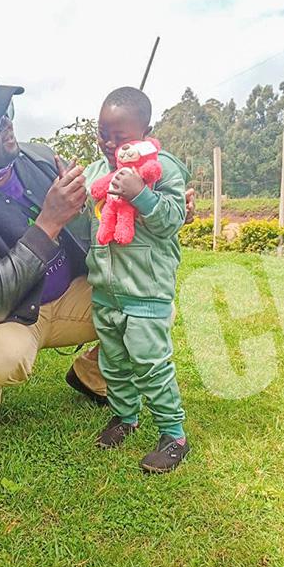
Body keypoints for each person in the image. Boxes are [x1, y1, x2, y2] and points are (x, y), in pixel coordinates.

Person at [0, 66, 195, 435]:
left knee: (151, 309)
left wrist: (159, 209)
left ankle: (89, 375)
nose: (9, 125)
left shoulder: (38, 159)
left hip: (72, 295)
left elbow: (95, 220)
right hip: (14, 317)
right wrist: (47, 222)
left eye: (9, 114)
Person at [85, 87, 191, 473]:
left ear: (146, 130)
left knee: (150, 363)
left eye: (121, 137)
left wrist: (141, 194)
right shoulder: (96, 172)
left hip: (146, 290)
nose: (111, 144)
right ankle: (126, 417)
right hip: (106, 290)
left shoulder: (162, 167)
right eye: (103, 134)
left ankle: (174, 434)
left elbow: (171, 220)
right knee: (114, 364)